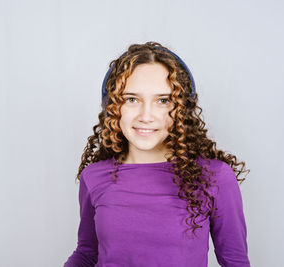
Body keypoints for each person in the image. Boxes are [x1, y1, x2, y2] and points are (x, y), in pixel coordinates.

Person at [64, 41, 251, 267]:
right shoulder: (93, 177)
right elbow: (86, 254)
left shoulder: (214, 176)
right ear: (112, 107)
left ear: (182, 109)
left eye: (163, 101)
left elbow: (236, 262)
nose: (146, 115)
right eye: (131, 99)